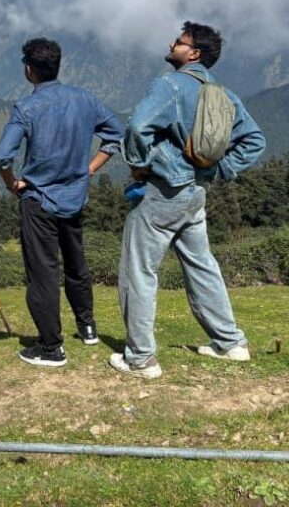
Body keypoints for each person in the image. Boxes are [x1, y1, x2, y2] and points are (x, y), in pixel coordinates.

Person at [110, 22, 266, 379]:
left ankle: (140, 358)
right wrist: (219, 169)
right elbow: (255, 140)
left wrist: (137, 165)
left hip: (162, 193)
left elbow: (137, 128)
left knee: (139, 272)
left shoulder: (169, 85)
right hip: (196, 194)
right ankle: (230, 343)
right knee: (201, 265)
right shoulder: (221, 93)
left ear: (193, 53)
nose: (172, 44)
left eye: (179, 42)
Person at [0, 38, 124, 368]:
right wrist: (89, 170)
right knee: (76, 262)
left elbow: (2, 156)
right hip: (74, 198)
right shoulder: (84, 100)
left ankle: (51, 347)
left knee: (43, 274)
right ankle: (88, 326)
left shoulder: (27, 108)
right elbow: (116, 135)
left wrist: (13, 186)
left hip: (38, 200)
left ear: (28, 69)